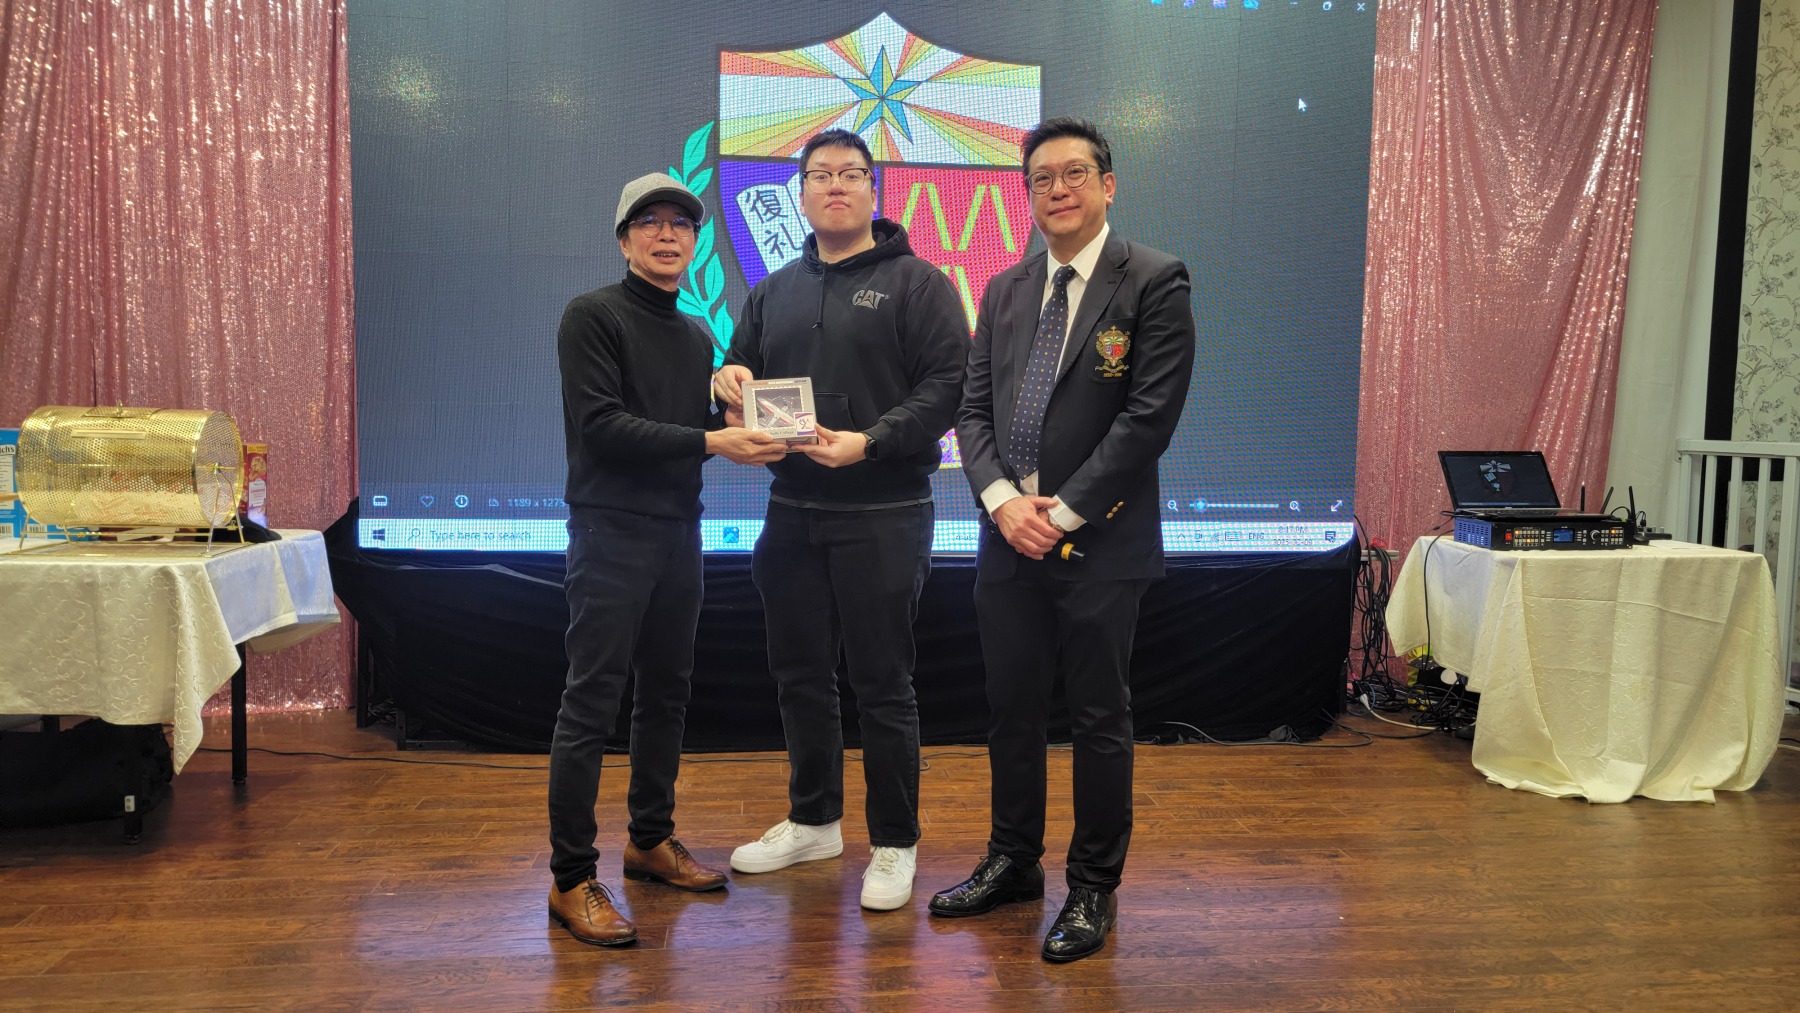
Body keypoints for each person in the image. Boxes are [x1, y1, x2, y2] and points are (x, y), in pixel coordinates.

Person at [929, 118, 1196, 962]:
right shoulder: (1005, 288)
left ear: (1108, 184)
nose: (1058, 190)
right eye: (1041, 178)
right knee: (1010, 710)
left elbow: (1149, 418)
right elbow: (973, 411)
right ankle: (1013, 860)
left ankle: (1092, 885)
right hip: (1007, 537)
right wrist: (1004, 503)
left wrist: (1063, 512)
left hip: (1102, 542)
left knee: (1098, 717)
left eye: (1074, 173)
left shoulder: (1154, 279)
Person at [711, 128, 969, 911]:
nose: (834, 185)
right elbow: (741, 373)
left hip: (886, 511)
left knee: (882, 683)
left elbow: (946, 389)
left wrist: (871, 441)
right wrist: (728, 381)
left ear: (873, 190)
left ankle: (894, 841)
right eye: (819, 175)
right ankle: (815, 819)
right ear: (800, 194)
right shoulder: (772, 291)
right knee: (799, 674)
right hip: (790, 512)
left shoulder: (920, 284)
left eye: (850, 174)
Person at [547, 173, 786, 946]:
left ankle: (650, 840)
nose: (666, 234)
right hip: (609, 534)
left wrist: (734, 406)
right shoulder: (591, 316)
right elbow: (606, 428)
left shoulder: (694, 337)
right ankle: (570, 877)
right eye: (648, 222)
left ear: (695, 241)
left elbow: (685, 433)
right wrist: (716, 435)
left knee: (666, 694)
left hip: (680, 534)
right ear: (624, 240)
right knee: (591, 704)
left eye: (681, 223)